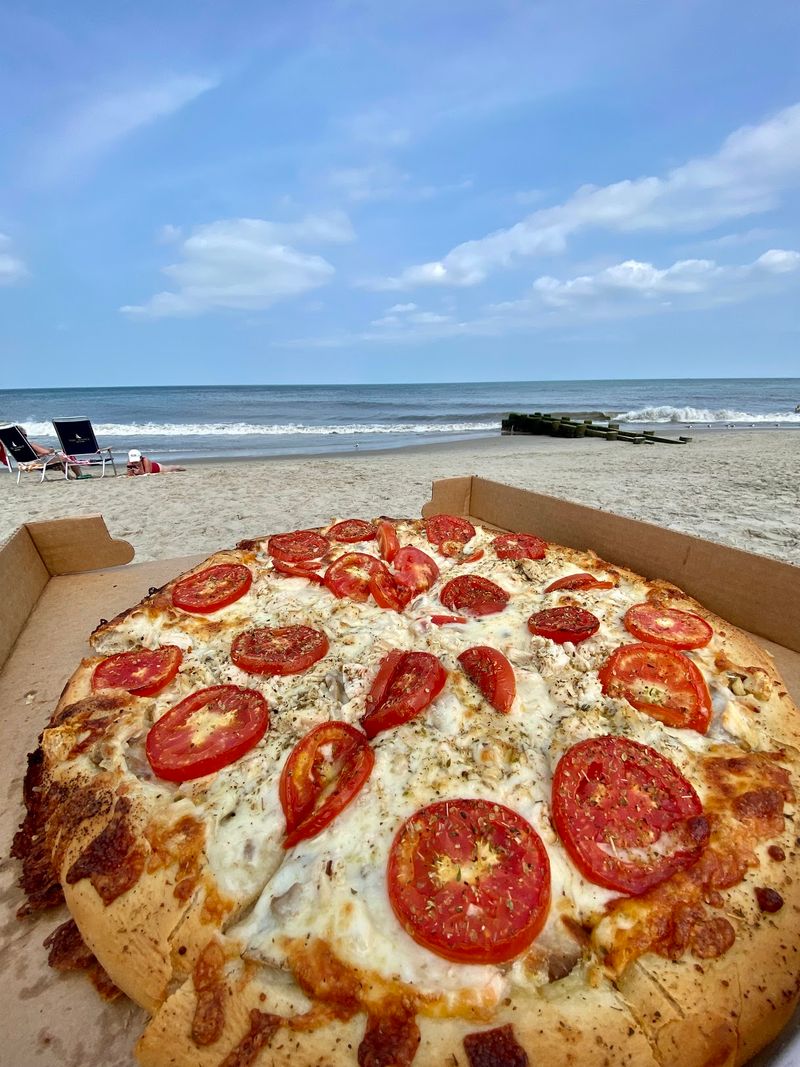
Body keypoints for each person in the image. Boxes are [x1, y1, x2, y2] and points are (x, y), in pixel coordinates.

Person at [19, 427, 85, 479]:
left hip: (27, 464)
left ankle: (69, 476)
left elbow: (35, 455)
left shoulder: (18, 447)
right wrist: (51, 450)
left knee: (61, 459)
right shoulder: (30, 445)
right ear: (23, 435)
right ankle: (79, 475)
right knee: (67, 457)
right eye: (25, 435)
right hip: (41, 463)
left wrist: (43, 454)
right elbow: (46, 452)